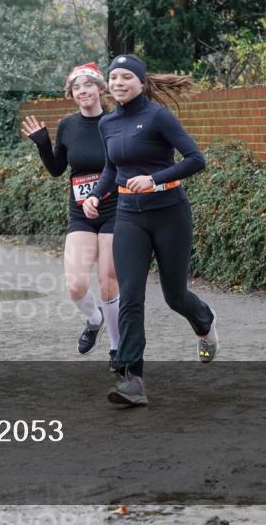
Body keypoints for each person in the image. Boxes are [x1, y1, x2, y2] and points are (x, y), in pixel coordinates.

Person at [83, 54, 217, 406]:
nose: (119, 83)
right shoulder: (108, 123)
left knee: (175, 296)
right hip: (128, 216)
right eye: (114, 77)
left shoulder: (159, 116)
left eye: (126, 77)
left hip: (169, 213)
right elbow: (112, 168)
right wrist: (96, 195)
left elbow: (196, 160)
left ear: (141, 83)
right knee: (131, 295)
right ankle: (133, 379)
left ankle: (204, 321)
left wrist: (154, 179)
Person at [21, 62, 120, 368]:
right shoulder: (68, 125)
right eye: (76, 87)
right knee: (76, 285)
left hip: (115, 209)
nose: (82, 91)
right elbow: (56, 169)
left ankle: (117, 349)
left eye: (88, 85)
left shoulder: (116, 121)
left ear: (100, 89)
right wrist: (42, 144)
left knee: (108, 282)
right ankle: (94, 319)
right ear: (71, 94)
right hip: (80, 212)